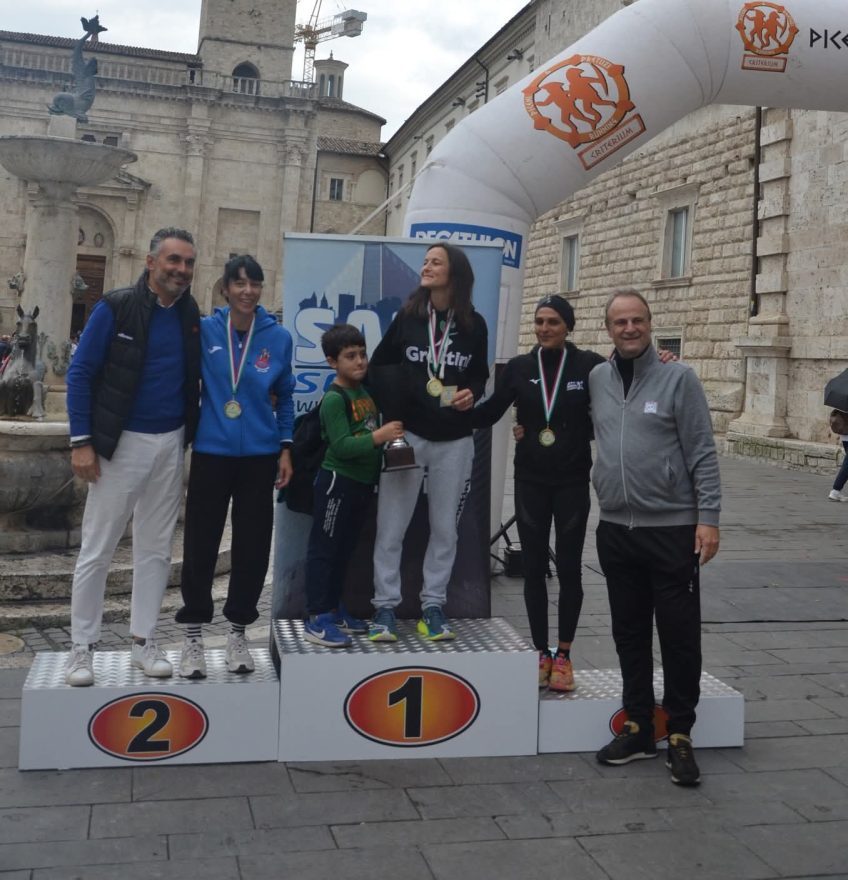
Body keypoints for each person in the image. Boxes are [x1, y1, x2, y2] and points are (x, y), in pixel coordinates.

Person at [590, 288, 721, 787]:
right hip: (616, 529)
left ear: (650, 323)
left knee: (679, 634)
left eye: (637, 320)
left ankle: (680, 732)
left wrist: (708, 517)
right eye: (620, 322)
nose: (629, 328)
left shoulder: (678, 377)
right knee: (628, 632)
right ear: (608, 329)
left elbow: (702, 451)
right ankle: (639, 726)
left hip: (671, 529)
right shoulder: (597, 378)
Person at [64, 227, 201, 687]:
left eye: (188, 263)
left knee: (156, 549)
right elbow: (80, 373)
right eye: (173, 260)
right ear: (151, 261)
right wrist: (81, 442)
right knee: (98, 547)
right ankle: (82, 646)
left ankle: (144, 640)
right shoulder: (116, 307)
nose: (181, 270)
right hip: (120, 443)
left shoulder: (190, 314)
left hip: (171, 441)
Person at [472, 295, 604, 691]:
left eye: (553, 322)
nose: (544, 329)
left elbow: (625, 387)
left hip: (571, 482)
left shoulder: (590, 365)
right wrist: (449, 404)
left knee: (569, 568)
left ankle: (564, 655)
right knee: (532, 569)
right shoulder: (519, 367)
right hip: (530, 480)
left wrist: (665, 361)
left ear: (568, 326)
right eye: (539, 321)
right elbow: (489, 411)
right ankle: (540, 652)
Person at [175, 254, 294, 678]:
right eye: (240, 283)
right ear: (225, 288)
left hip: (260, 455)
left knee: (253, 545)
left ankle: (238, 632)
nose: (248, 291)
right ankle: (192, 635)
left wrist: (285, 448)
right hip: (212, 451)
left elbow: (286, 396)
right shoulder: (206, 330)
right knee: (200, 543)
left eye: (255, 283)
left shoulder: (278, 338)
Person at [368, 243, 489, 642]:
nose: (427, 266)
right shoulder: (408, 318)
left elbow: (479, 375)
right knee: (391, 526)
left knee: (444, 528)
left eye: (436, 262)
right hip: (410, 437)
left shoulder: (474, 324)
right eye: (425, 261)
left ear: (455, 273)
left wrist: (471, 393)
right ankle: (385, 607)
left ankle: (433, 606)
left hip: (455, 439)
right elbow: (380, 366)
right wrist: (395, 413)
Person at [302, 325, 405, 647]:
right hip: (337, 483)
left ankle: (334, 609)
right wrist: (379, 437)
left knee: (344, 550)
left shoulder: (365, 392)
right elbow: (342, 446)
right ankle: (317, 617)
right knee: (324, 550)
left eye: (362, 354)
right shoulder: (335, 399)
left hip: (362, 484)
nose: (360, 361)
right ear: (332, 362)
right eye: (350, 356)